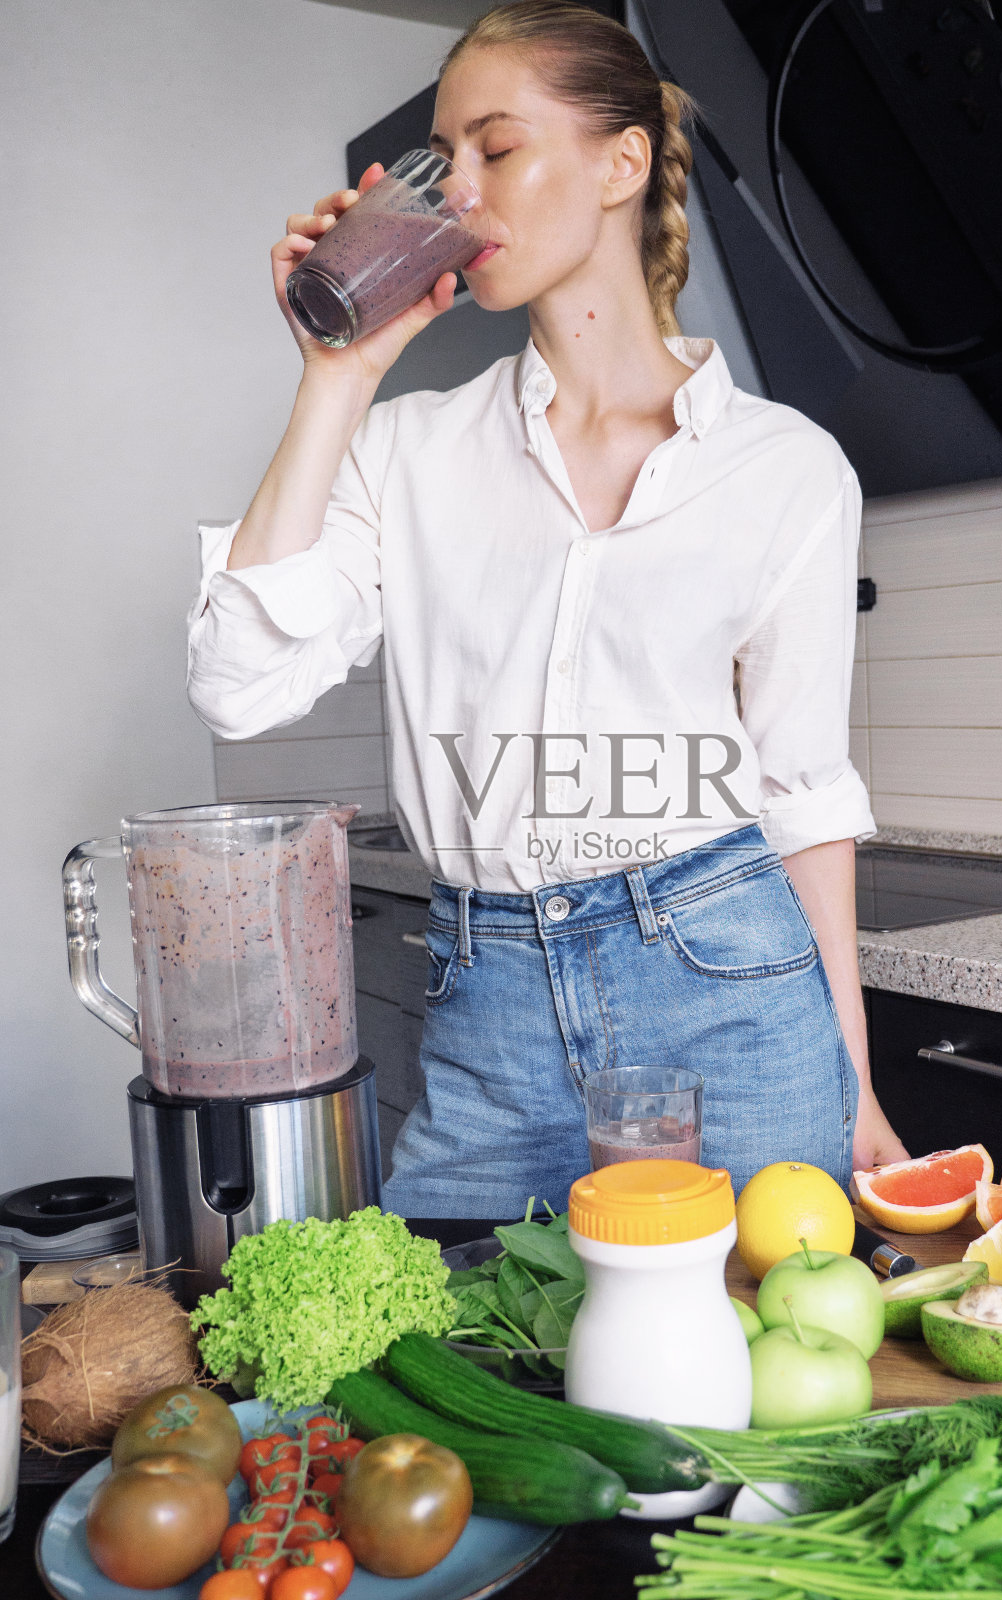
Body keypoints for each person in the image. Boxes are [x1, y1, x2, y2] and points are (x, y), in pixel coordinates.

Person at [187, 0, 908, 1217]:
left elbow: (802, 796)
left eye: (496, 148)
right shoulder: (404, 449)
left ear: (621, 163)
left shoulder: (785, 469)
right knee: (457, 1330)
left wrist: (855, 1082)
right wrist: (337, 378)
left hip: (729, 987)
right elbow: (236, 688)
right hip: (492, 1014)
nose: (457, 192)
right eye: (441, 158)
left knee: (749, 1340)